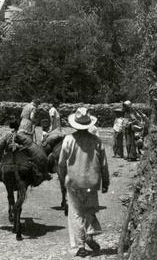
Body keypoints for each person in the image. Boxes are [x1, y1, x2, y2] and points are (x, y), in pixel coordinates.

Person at [58, 106, 110, 258]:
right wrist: (105, 182)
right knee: (89, 209)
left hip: (74, 183)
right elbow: (104, 165)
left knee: (76, 213)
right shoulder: (97, 141)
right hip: (92, 183)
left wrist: (63, 177)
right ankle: (90, 234)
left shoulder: (69, 140)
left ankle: (80, 245)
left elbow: (61, 163)